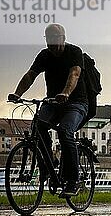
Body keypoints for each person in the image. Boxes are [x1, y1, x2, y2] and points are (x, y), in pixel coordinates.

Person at [8, 24, 88, 197]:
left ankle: (73, 180)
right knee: (38, 126)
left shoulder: (74, 52)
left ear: (63, 38)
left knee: (65, 132)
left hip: (76, 103)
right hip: (52, 102)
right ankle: (50, 160)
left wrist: (66, 93)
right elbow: (31, 75)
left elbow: (74, 74)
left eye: (55, 38)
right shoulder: (44, 56)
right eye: (48, 39)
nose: (52, 44)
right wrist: (17, 93)